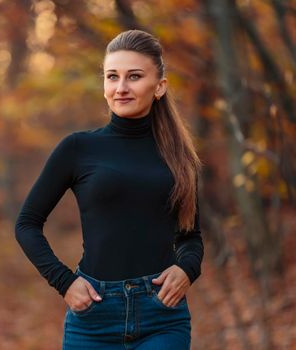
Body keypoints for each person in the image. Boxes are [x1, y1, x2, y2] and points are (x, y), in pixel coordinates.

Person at [15, 29, 204, 349]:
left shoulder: (178, 156)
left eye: (134, 77)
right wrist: (65, 283)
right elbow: (27, 224)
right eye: (112, 77)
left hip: (162, 315)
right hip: (94, 316)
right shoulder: (78, 148)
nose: (121, 88)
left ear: (159, 87)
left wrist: (187, 269)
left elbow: (190, 236)